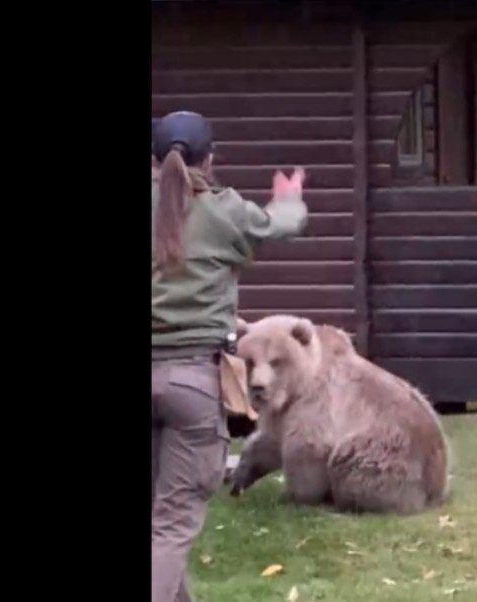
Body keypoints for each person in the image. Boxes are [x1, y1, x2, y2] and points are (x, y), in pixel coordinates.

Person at [151, 110, 308, 602]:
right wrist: (288, 197)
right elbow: (287, 223)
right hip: (192, 383)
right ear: (211, 160)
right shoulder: (225, 211)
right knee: (171, 527)